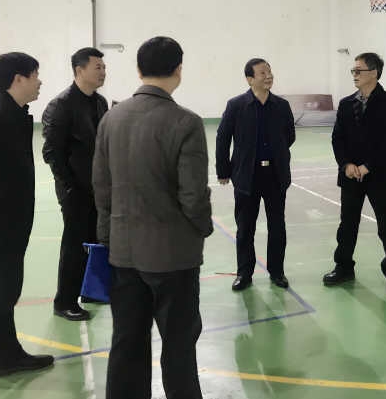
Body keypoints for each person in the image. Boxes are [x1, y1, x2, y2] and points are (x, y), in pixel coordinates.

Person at [93, 36, 213, 399]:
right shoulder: (186, 122)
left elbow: (102, 188)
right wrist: (202, 228)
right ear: (178, 70)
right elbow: (193, 196)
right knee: (178, 345)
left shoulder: (111, 118)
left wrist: (108, 238)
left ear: (139, 69)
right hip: (173, 255)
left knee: (127, 341)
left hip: (124, 252)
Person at [0, 53, 54, 389]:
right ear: (18, 79)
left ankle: (7, 356)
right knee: (2, 294)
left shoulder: (10, 112)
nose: (39, 81)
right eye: (35, 75)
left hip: (7, 223)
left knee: (3, 292)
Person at [322, 52, 386, 297]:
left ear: (374, 73)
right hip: (350, 176)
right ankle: (344, 267)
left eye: (359, 70)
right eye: (353, 71)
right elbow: (337, 138)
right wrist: (346, 164)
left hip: (380, 176)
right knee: (347, 224)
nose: (354, 75)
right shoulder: (346, 104)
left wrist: (368, 166)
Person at [215, 58, 295, 291]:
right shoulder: (236, 105)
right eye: (262, 73)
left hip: (275, 176)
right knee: (245, 227)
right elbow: (223, 138)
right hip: (246, 176)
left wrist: (276, 154)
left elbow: (289, 136)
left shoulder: (282, 106)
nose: (268, 76)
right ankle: (244, 273)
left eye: (270, 71)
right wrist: (223, 170)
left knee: (277, 226)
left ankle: (277, 272)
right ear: (250, 79)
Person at [42, 47, 108, 321]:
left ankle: (90, 291)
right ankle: (64, 302)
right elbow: (51, 153)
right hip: (75, 191)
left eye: (104, 67)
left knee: (96, 240)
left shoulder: (100, 102)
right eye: (97, 67)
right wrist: (70, 187)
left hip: (97, 188)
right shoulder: (61, 105)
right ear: (79, 70)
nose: (103, 72)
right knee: (74, 246)